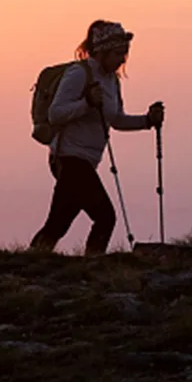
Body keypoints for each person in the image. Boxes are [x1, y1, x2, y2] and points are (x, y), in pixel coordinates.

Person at [29, 20, 165, 256]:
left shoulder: (112, 81)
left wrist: (147, 121)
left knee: (58, 223)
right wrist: (87, 103)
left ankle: (30, 262)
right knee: (105, 217)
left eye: (125, 53)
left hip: (86, 161)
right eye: (118, 53)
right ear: (102, 52)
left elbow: (116, 119)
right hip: (69, 158)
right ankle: (95, 265)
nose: (123, 59)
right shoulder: (78, 74)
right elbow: (56, 114)